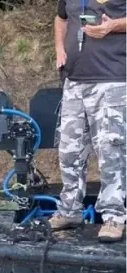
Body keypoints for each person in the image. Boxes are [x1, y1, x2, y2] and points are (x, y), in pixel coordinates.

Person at [51, 0, 126, 242]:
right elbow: (61, 19)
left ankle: (114, 217)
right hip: (74, 82)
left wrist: (112, 26)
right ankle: (69, 210)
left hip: (113, 80)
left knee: (110, 150)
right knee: (69, 150)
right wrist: (59, 48)